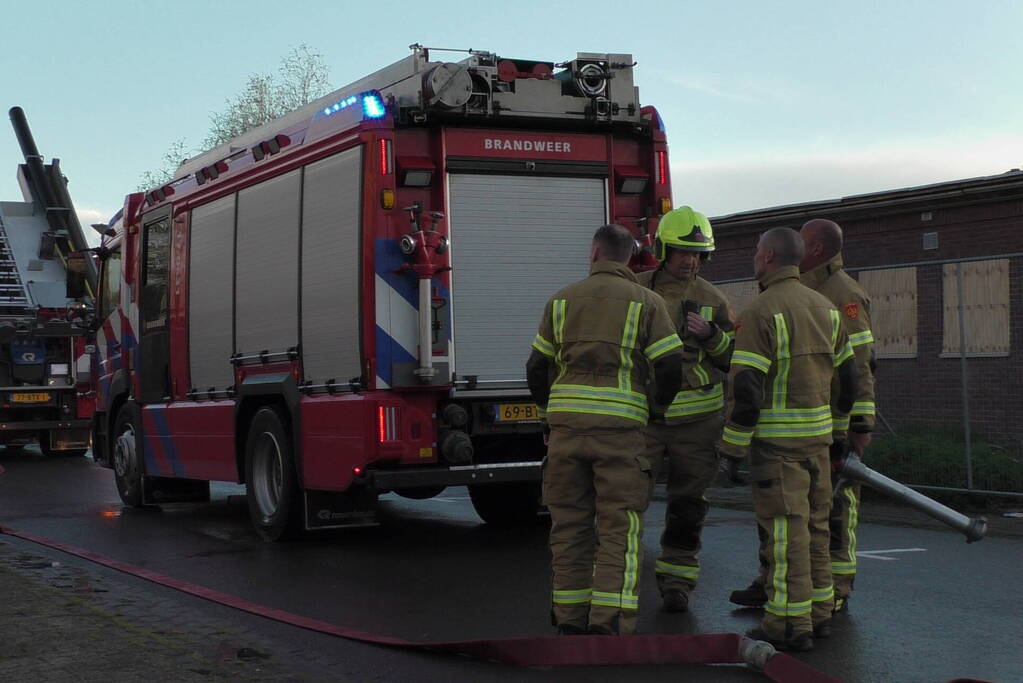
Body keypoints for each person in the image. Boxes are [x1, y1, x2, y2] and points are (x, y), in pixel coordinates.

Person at [526, 223, 683, 636]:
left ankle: (569, 618)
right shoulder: (647, 302)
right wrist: (657, 409)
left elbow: (536, 367)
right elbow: (669, 364)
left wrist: (547, 412)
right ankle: (609, 620)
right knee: (620, 526)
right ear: (629, 257)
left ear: (594, 253)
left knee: (570, 525)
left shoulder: (562, 300)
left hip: (565, 432)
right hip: (621, 431)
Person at [717, 227, 857, 651]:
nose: (754, 257)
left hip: (777, 447)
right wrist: (838, 430)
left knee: (783, 533)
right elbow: (847, 380)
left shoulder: (761, 311)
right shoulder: (826, 308)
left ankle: (785, 624)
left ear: (771, 257)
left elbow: (747, 390)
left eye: (757, 251)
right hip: (817, 440)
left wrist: (733, 449)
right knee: (816, 529)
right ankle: (817, 613)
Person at [636, 207, 735, 613]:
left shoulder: (714, 300)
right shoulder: (638, 291)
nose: (690, 260)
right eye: (681, 251)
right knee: (624, 501)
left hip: (697, 426)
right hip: (644, 420)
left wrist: (713, 337)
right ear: (663, 250)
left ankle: (678, 579)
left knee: (688, 505)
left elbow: (735, 360)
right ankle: (613, 578)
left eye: (697, 253)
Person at [799, 218, 876, 613]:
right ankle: (784, 582)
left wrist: (860, 424)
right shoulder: (806, 289)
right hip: (810, 420)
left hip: (837, 422)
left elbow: (861, 365)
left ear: (815, 249)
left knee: (838, 506)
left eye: (801, 240)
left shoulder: (843, 294)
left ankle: (838, 585)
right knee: (803, 507)